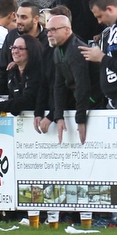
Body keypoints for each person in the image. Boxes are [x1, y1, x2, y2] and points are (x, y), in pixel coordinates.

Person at [46, 12, 104, 144]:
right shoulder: (57, 50)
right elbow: (59, 85)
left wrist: (80, 120)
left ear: (67, 30)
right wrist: (58, 116)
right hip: (82, 104)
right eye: (48, 30)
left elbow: (82, 86)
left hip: (95, 105)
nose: (49, 34)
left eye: (53, 30)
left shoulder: (75, 49)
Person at [0, 35, 43, 117]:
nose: (15, 51)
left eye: (21, 49)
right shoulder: (12, 72)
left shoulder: (38, 72)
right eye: (13, 48)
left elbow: (29, 100)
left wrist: (0, 106)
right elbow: (16, 108)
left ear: (31, 50)